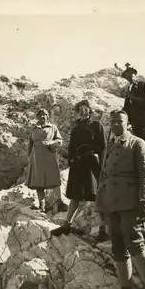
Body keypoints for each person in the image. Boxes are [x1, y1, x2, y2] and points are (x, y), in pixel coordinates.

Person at [95, 109, 145, 289]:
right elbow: (103, 178)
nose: (116, 124)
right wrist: (100, 204)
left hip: (132, 202)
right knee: (117, 246)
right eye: (113, 121)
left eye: (120, 121)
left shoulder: (137, 143)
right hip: (111, 203)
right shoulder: (110, 147)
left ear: (128, 124)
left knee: (135, 241)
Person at [50, 100, 108, 241]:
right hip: (77, 164)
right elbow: (71, 146)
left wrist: (102, 165)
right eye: (80, 109)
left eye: (85, 108)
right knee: (75, 196)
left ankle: (103, 229)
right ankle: (67, 224)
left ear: (89, 110)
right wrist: (71, 159)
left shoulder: (96, 125)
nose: (83, 111)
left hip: (92, 163)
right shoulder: (76, 127)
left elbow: (103, 146)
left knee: (98, 197)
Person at [26, 108, 67, 212]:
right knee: (38, 182)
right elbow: (30, 145)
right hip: (36, 158)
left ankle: (59, 202)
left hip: (49, 156)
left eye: (44, 115)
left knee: (54, 179)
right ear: (37, 117)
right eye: (40, 115)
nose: (42, 117)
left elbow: (59, 140)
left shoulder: (53, 127)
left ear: (47, 116)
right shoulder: (33, 129)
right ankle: (42, 205)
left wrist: (52, 143)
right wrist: (29, 158)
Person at [118, 64, 145, 146]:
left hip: (144, 121)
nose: (129, 77)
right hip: (135, 123)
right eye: (127, 75)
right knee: (139, 145)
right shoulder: (128, 89)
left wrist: (132, 97)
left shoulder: (141, 85)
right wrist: (120, 114)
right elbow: (126, 107)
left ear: (135, 74)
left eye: (131, 74)